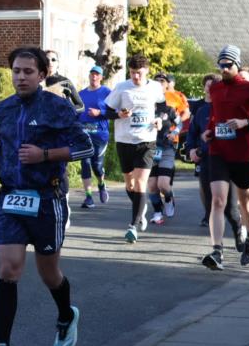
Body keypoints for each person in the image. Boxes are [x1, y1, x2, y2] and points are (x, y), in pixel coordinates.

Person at [0, 47, 93, 346]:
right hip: (12, 198)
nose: (20, 77)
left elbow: (84, 146)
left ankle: (65, 314)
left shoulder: (57, 107)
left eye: (28, 71)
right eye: (16, 70)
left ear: (42, 74)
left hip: (47, 200)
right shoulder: (4, 108)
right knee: (9, 269)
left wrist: (46, 155)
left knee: (49, 273)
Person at [200, 45, 249, 270]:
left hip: (244, 153)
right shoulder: (216, 89)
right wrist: (208, 131)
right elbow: (215, 117)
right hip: (219, 151)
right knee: (218, 200)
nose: (223, 68)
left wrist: (246, 123)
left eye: (228, 64)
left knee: (245, 200)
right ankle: (217, 251)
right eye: (220, 64)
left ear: (237, 65)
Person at [102, 54, 165, 243]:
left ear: (146, 71)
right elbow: (107, 111)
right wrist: (119, 114)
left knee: (140, 183)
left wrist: (160, 119)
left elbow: (164, 108)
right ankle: (141, 210)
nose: (135, 77)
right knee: (129, 185)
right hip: (124, 141)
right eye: (132, 73)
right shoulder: (122, 88)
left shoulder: (154, 87)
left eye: (138, 73)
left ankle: (134, 224)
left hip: (146, 141)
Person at [187, 74, 244, 246]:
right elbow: (192, 133)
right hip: (207, 160)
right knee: (214, 202)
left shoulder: (233, 108)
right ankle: (217, 249)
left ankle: (238, 229)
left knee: (230, 208)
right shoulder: (202, 111)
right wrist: (191, 150)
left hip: (229, 161)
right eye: (208, 87)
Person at [148, 74, 181, 224]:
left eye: (162, 82)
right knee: (152, 186)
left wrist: (174, 132)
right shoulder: (145, 105)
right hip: (149, 148)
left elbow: (179, 124)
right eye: (156, 82)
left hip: (166, 148)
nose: (159, 85)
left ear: (166, 86)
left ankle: (169, 197)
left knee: (163, 184)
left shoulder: (169, 108)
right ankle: (157, 212)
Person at [78, 65, 111, 208]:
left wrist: (100, 113)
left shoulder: (107, 92)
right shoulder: (81, 94)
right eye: (92, 74)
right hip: (83, 134)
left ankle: (101, 184)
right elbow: (76, 111)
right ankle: (89, 197)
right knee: (85, 163)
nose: (94, 77)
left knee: (96, 165)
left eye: (97, 74)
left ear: (101, 77)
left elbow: (113, 111)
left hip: (100, 135)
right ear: (89, 76)